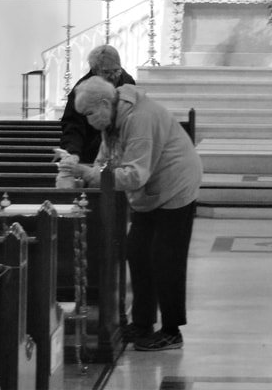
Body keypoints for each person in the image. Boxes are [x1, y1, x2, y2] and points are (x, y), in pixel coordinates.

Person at [59, 75, 203, 351]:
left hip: (175, 185)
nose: (88, 120)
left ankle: (172, 331)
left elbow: (135, 174)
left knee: (166, 259)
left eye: (89, 113)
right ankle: (142, 323)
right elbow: (106, 158)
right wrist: (82, 172)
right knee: (137, 253)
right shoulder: (112, 117)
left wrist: (90, 174)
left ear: (104, 103)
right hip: (151, 192)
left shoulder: (139, 118)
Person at [56, 45, 135, 188]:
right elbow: (73, 126)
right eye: (106, 72)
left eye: (116, 71)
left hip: (120, 156)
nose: (113, 77)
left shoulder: (128, 82)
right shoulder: (82, 90)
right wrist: (73, 153)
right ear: (94, 71)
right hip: (91, 152)